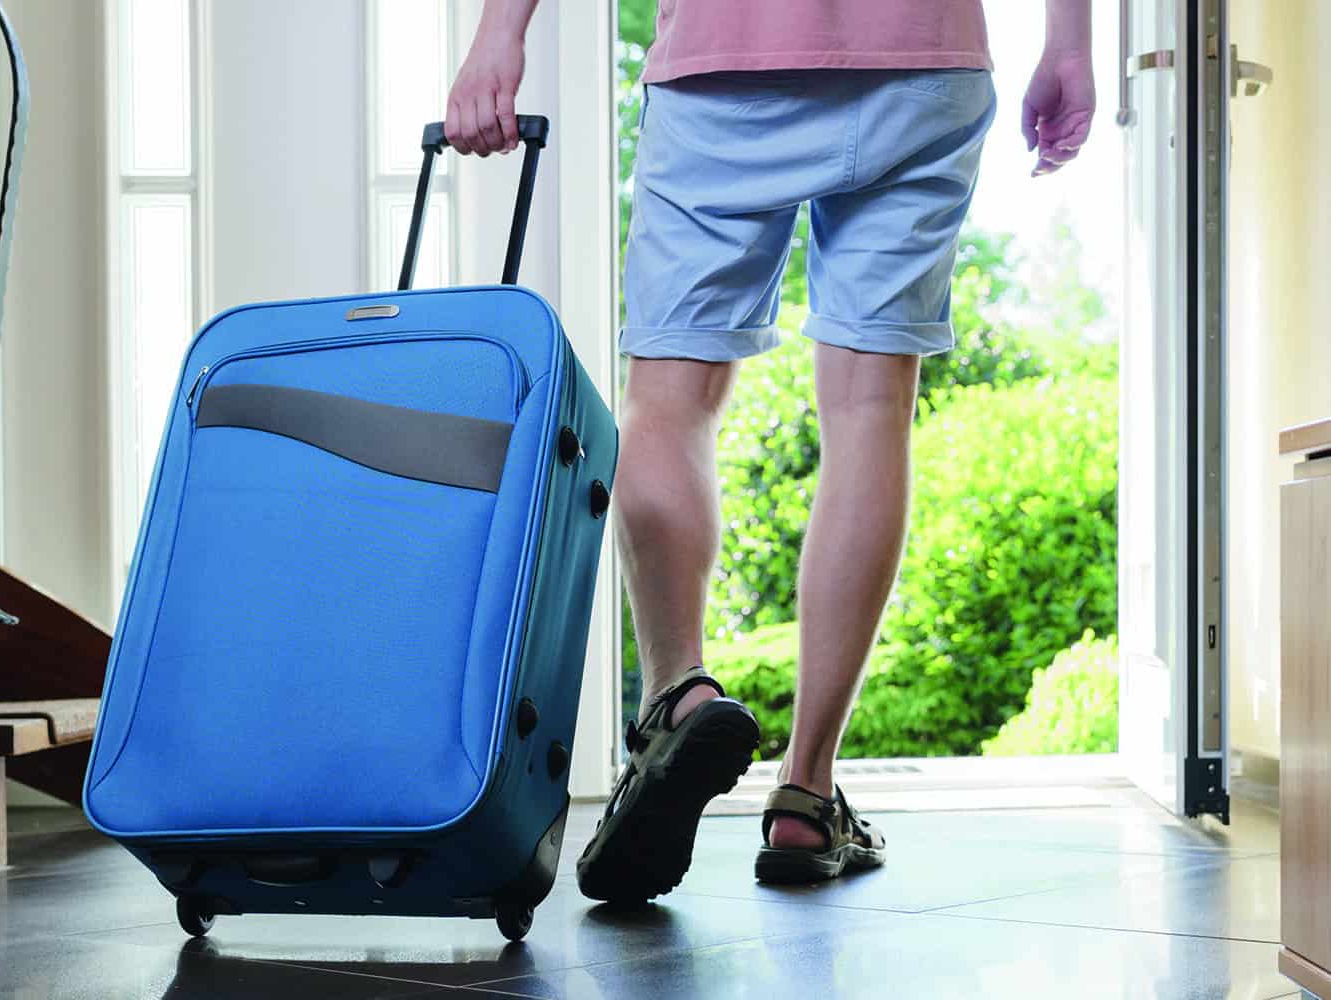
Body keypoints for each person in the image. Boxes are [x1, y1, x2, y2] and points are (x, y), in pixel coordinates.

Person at [444, 0, 1096, 902]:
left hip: (725, 55)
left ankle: (677, 696)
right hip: (922, 54)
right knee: (871, 407)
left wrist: (499, 34)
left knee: (668, 399)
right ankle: (807, 789)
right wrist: (1070, 40)